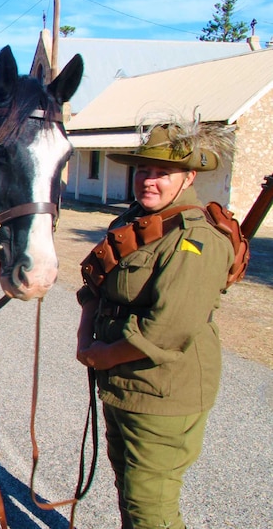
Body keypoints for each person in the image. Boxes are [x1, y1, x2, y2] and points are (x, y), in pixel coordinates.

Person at [75, 121, 235, 529]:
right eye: (143, 171)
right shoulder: (133, 223)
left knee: (151, 508)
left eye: (162, 173)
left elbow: (170, 328)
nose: (149, 181)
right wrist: (84, 338)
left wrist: (103, 355)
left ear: (188, 179)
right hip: (122, 384)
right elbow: (97, 287)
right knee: (129, 491)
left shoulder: (195, 238)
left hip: (163, 390)